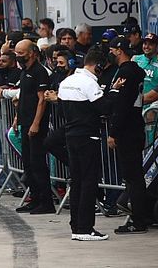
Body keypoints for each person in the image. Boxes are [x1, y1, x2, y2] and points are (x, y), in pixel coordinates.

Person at [47, 50, 113, 241]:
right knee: (88, 182)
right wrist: (114, 91)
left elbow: (61, 111)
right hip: (87, 136)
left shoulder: (66, 82)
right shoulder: (89, 83)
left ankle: (76, 227)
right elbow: (105, 108)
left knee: (76, 182)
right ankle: (85, 228)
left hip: (70, 135)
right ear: (98, 66)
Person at [102, 38, 152, 234]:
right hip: (135, 126)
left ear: (119, 50)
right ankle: (142, 216)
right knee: (134, 176)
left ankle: (139, 221)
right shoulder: (136, 70)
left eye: (112, 50)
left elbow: (121, 105)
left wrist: (113, 133)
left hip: (127, 130)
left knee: (133, 177)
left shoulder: (126, 72)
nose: (110, 53)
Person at [14, 39, 54, 214]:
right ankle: (34, 198)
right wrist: (17, 117)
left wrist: (36, 123)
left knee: (38, 163)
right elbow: (23, 96)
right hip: (24, 122)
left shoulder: (39, 72)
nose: (17, 56)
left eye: (21, 53)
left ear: (31, 53)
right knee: (28, 164)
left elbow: (42, 100)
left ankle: (46, 202)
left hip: (35, 124)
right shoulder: (24, 71)